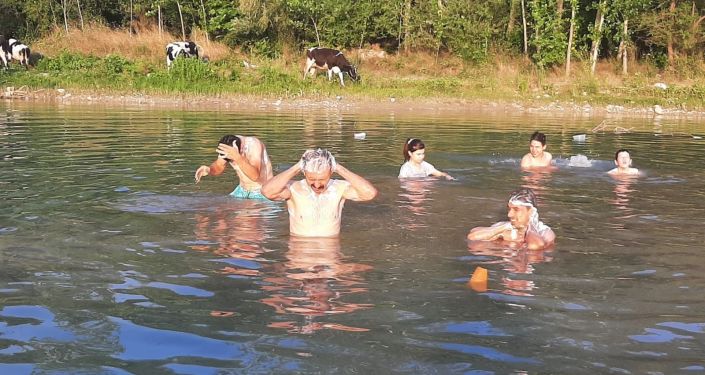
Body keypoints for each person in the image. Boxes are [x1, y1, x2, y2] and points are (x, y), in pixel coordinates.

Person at [261, 148, 377, 237]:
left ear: (331, 172)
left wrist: (339, 168)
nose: (316, 185)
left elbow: (369, 193)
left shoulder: (340, 189)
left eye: (322, 180)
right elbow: (267, 191)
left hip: (330, 255)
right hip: (300, 254)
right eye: (311, 179)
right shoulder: (293, 189)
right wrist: (297, 167)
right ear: (304, 173)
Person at [467, 188, 555, 250]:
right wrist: (503, 227)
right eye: (509, 209)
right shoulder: (505, 228)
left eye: (516, 210)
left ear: (531, 212)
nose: (509, 214)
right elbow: (472, 237)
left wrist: (531, 226)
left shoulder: (545, 232)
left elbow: (535, 246)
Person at [194, 134, 273, 199]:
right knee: (220, 210)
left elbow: (255, 176)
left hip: (263, 192)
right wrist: (209, 170)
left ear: (240, 148)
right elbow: (219, 165)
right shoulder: (227, 146)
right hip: (242, 191)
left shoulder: (253, 145)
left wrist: (237, 157)